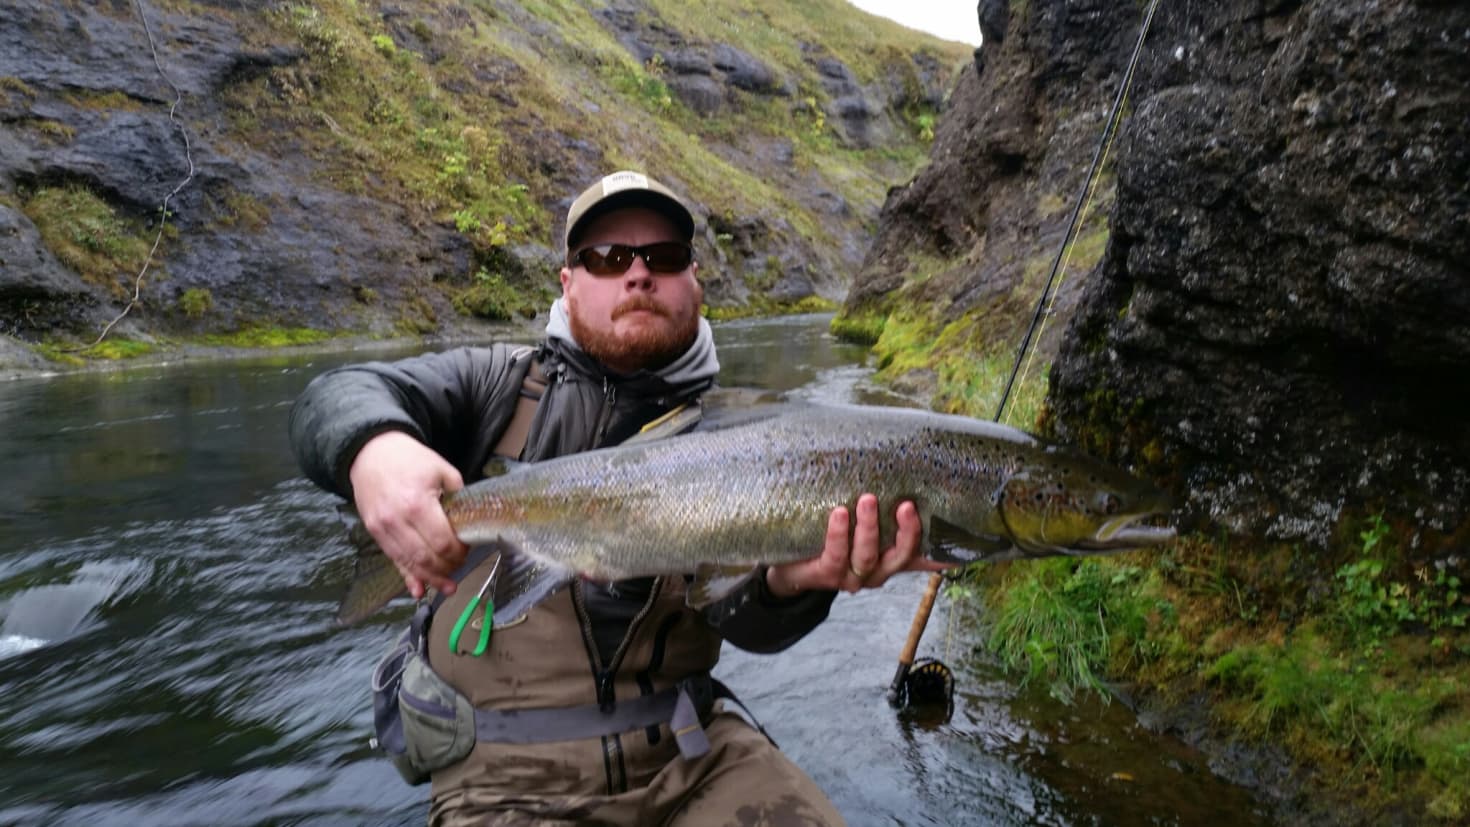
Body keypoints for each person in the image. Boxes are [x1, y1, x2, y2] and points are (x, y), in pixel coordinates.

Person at [289, 170, 944, 826]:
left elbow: (748, 628)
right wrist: (373, 448)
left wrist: (791, 585)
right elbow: (336, 394)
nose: (637, 274)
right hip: (502, 783)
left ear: (696, 282)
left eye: (662, 257)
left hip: (694, 755)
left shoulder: (745, 432)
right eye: (605, 258)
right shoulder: (493, 385)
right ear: (567, 283)